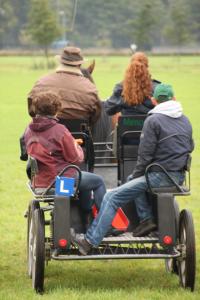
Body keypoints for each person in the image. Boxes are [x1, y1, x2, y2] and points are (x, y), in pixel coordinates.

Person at [73, 83, 194, 255]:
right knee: (132, 180)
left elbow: (144, 157)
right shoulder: (185, 120)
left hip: (159, 176)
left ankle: (90, 240)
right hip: (178, 177)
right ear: (173, 98)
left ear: (153, 100)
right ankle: (146, 219)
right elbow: (190, 146)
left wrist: (139, 176)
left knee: (111, 197)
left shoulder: (153, 120)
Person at [23, 91, 106, 218]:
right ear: (56, 110)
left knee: (83, 180)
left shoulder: (28, 130)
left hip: (39, 182)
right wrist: (76, 146)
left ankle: (85, 212)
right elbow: (76, 158)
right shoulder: (59, 130)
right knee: (97, 181)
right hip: (61, 182)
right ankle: (99, 220)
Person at [27, 46, 102, 126]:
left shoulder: (41, 82)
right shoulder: (90, 88)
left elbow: (31, 111)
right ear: (79, 64)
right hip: (78, 136)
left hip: (43, 134)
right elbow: (95, 117)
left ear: (61, 62)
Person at [104, 52, 160, 117]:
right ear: (147, 66)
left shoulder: (120, 88)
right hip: (150, 126)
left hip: (126, 126)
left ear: (130, 66)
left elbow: (108, 110)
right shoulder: (157, 88)